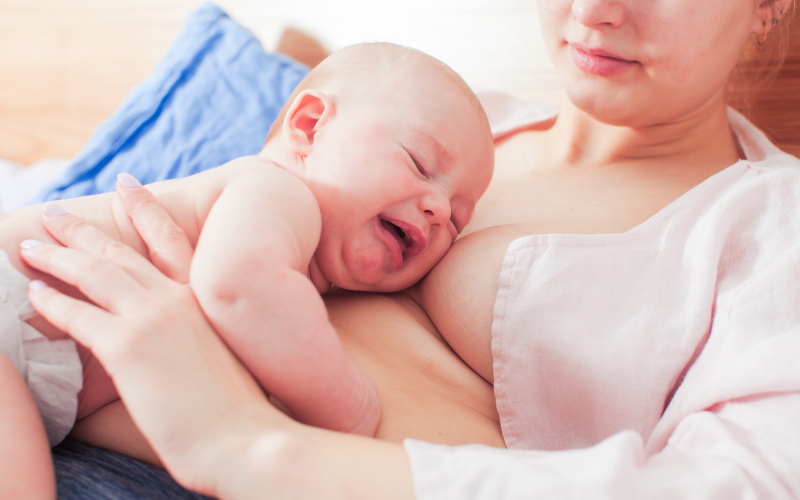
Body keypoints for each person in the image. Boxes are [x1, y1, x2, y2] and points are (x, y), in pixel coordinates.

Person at [16, 0, 800, 498]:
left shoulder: (773, 224)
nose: (595, 11)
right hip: (62, 427)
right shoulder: (448, 118)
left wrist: (243, 442)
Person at [0, 42, 493, 499]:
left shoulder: (282, 278)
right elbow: (236, 288)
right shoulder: (278, 191)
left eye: (459, 216)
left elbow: (116, 408)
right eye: (419, 163)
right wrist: (350, 409)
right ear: (309, 126)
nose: (439, 210)